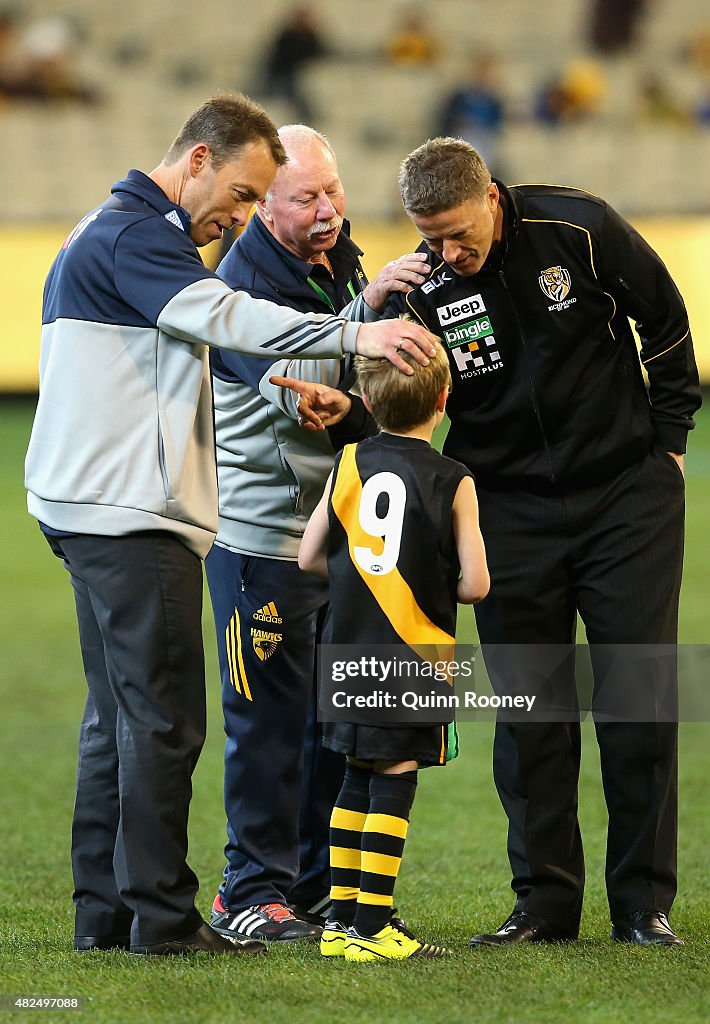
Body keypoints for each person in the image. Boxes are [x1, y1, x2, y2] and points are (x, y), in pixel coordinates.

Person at [23, 92, 437, 958]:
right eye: (245, 195)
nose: (239, 218)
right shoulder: (139, 235)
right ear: (199, 159)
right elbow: (224, 317)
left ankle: (108, 918)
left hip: (88, 505)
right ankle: (166, 923)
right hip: (129, 518)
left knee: (119, 724)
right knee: (166, 725)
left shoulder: (107, 228)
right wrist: (356, 337)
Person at [292, 137, 701, 947]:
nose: (445, 251)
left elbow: (663, 316)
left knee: (634, 701)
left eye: (454, 232)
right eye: (428, 236)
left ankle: (641, 906)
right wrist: (351, 411)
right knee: (530, 713)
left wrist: (669, 438)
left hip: (626, 497)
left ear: (488, 196)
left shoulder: (578, 227)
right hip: (504, 510)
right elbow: (400, 398)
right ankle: (542, 904)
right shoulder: (422, 288)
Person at [205, 124, 430, 944]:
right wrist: (360, 329)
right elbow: (298, 392)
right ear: (264, 203)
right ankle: (247, 895)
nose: (330, 208)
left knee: (333, 725)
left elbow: (352, 398)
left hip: (332, 542)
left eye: (333, 190)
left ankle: (317, 890)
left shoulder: (338, 260)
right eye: (307, 198)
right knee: (264, 728)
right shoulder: (239, 287)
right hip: (261, 545)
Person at [298, 343, 489, 960]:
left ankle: (339, 925)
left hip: (345, 646)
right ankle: (374, 926)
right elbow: (476, 584)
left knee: (354, 774)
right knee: (396, 780)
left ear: (370, 401)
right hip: (414, 655)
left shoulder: (348, 460)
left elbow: (308, 558)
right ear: (442, 400)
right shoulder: (453, 478)